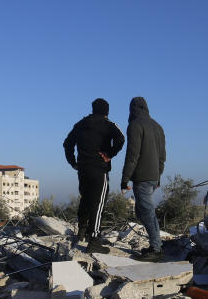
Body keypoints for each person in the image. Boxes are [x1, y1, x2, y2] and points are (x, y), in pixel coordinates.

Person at [63, 98, 125, 252]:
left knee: (85, 199)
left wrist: (73, 162)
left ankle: (81, 232)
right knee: (98, 203)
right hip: (99, 168)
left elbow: (67, 143)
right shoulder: (109, 125)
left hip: (83, 169)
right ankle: (95, 241)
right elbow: (121, 139)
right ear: (107, 111)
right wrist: (109, 154)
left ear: (93, 109)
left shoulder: (81, 124)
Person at [120, 96, 166, 261]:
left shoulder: (135, 125)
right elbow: (162, 156)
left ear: (132, 109)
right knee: (141, 210)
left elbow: (132, 155)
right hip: (153, 176)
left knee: (146, 210)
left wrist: (125, 179)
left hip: (142, 176)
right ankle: (155, 243)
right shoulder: (158, 127)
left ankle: (156, 248)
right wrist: (158, 176)